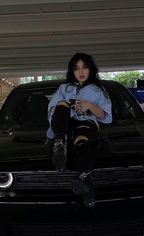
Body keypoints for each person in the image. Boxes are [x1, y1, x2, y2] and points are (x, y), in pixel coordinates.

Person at [47, 53, 112, 208]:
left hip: (85, 123)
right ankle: (60, 144)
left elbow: (105, 117)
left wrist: (89, 106)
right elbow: (51, 111)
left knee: (81, 141)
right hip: (63, 124)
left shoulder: (98, 90)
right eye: (76, 68)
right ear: (72, 71)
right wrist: (66, 107)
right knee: (61, 103)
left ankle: (85, 180)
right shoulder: (64, 88)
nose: (81, 72)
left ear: (91, 69)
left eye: (85, 67)